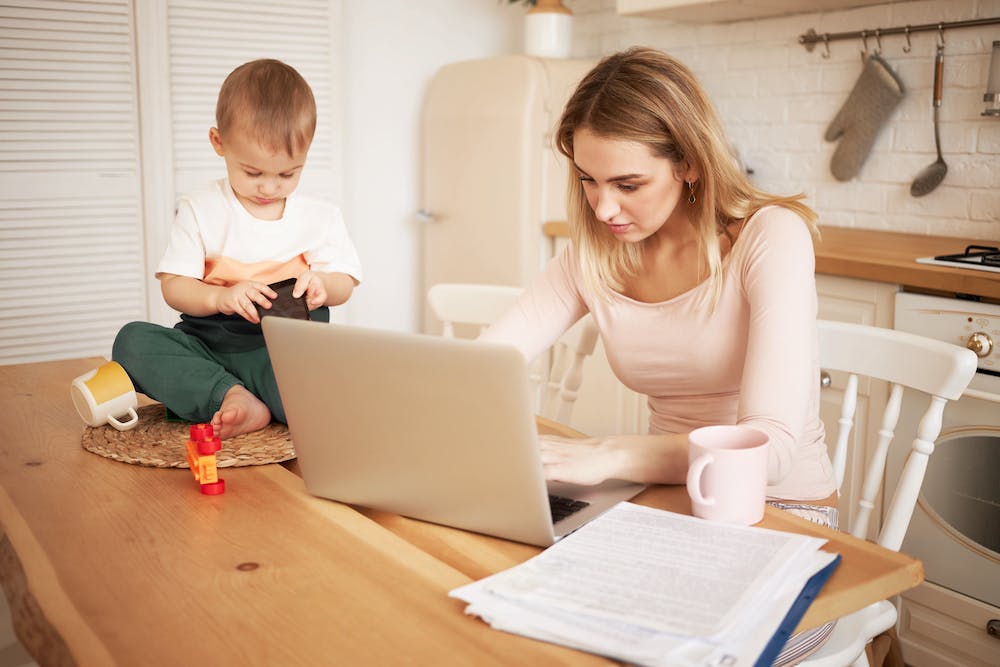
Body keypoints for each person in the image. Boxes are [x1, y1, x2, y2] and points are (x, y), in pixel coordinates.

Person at [479, 47, 837, 665]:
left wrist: (608, 452)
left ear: (690, 165)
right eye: (588, 180)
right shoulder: (595, 254)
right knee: (523, 621)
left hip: (782, 515)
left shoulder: (769, 236)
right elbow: (483, 367)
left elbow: (770, 448)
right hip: (663, 507)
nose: (602, 208)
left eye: (628, 183)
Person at [113, 59, 362, 440]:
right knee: (132, 342)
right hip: (208, 345)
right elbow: (175, 287)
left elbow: (345, 281)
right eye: (253, 172)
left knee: (327, 398)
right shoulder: (200, 208)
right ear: (219, 143)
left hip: (283, 354)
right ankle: (231, 395)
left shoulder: (320, 217)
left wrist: (325, 285)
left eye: (287, 174)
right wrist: (221, 296)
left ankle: (241, 396)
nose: (269, 188)